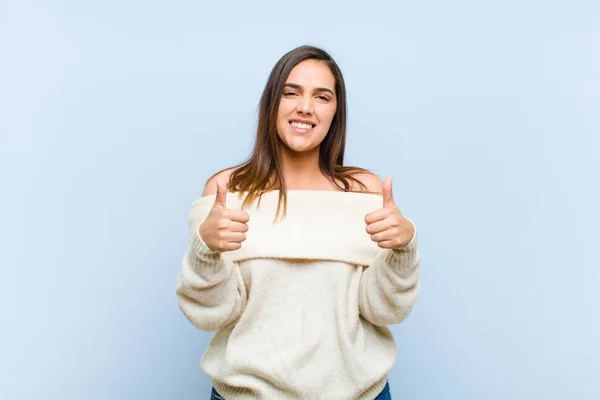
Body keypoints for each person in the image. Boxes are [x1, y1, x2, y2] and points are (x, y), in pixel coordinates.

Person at [175, 45, 421, 400]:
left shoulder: (365, 191)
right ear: (272, 102)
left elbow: (383, 309)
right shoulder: (227, 190)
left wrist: (403, 249)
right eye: (292, 92)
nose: (305, 106)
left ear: (335, 112)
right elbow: (210, 315)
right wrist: (206, 251)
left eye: (322, 96)